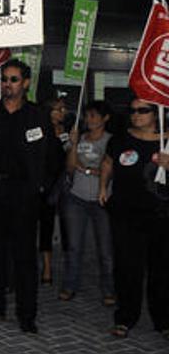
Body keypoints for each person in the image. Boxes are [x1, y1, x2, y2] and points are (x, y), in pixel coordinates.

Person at [0, 59, 59, 334]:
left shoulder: (37, 115)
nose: (8, 85)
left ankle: (26, 314)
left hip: (24, 195)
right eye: (5, 80)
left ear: (26, 83)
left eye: (14, 80)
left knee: (24, 257)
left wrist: (41, 186)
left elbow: (53, 155)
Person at [99, 99, 169, 339]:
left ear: (157, 113)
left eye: (142, 110)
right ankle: (126, 317)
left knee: (160, 269)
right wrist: (102, 187)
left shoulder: (167, 141)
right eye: (132, 110)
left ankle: (163, 319)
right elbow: (108, 163)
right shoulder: (120, 138)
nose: (135, 115)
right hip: (125, 213)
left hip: (161, 215)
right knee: (127, 267)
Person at [60, 101, 114, 305]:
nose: (89, 120)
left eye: (93, 116)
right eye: (87, 116)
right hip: (76, 198)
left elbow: (110, 170)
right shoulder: (79, 138)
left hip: (102, 200)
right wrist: (73, 145)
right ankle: (69, 285)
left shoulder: (111, 141)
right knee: (74, 247)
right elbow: (70, 168)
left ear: (105, 118)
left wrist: (89, 170)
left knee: (105, 250)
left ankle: (109, 290)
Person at [39, 97, 70, 285]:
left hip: (61, 185)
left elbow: (69, 157)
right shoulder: (39, 131)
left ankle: (56, 267)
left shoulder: (66, 131)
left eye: (64, 109)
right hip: (42, 185)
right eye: (58, 109)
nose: (62, 112)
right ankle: (45, 267)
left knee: (58, 227)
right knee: (42, 227)